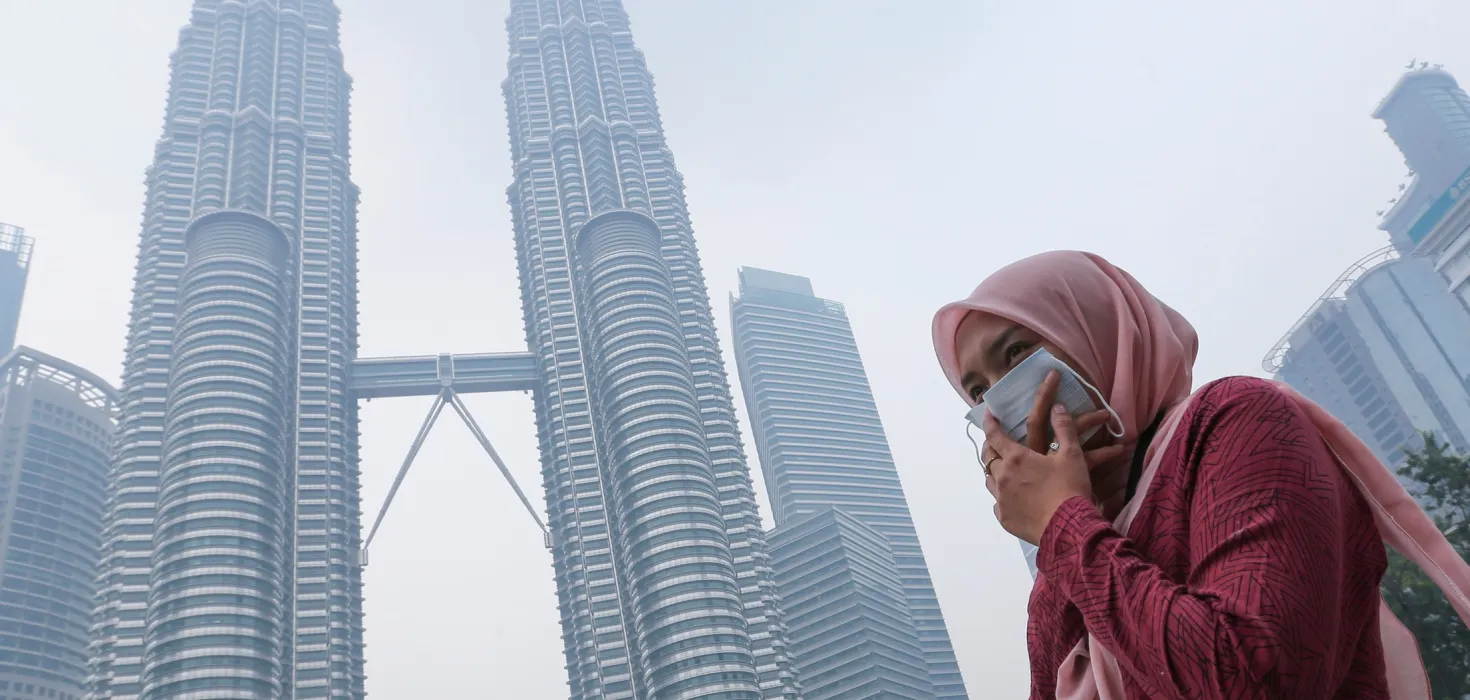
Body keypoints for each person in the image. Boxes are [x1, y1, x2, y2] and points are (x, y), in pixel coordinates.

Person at [930, 250, 1470, 699]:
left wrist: (1062, 527)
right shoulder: (1058, 574)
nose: (1001, 400)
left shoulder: (1234, 421)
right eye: (978, 392)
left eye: (1019, 352)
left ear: (1100, 330)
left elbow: (1252, 682)